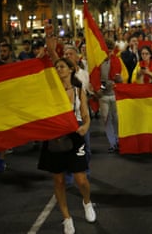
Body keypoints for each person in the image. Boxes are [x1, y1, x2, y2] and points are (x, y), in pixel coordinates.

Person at [38, 58, 96, 234]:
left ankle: (86, 202)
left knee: (81, 179)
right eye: (56, 67)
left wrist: (85, 127)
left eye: (62, 66)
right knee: (59, 180)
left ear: (71, 69)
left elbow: (85, 115)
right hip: (55, 137)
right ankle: (67, 218)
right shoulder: (50, 92)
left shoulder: (79, 91)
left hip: (75, 136)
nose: (58, 69)